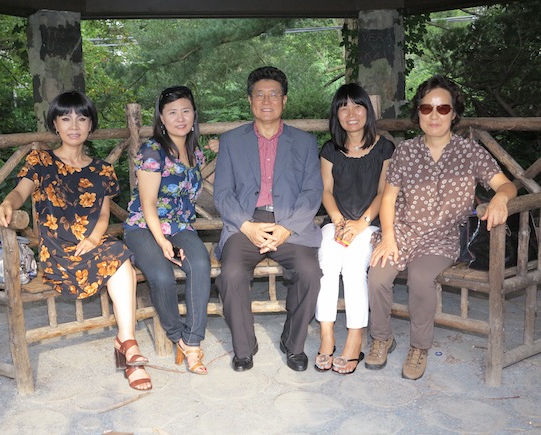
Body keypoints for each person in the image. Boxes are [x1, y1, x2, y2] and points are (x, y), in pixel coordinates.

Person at [0, 90, 152, 390]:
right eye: (65, 118)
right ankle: (128, 347)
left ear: (91, 125)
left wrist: (94, 238)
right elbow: (19, 192)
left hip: (93, 244)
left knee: (120, 256)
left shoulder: (102, 169)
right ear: (55, 124)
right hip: (57, 251)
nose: (74, 125)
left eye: (82, 118)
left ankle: (128, 343)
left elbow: (103, 214)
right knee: (120, 260)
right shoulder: (40, 161)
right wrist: (6, 205)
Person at [366, 75, 517, 380]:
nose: (434, 115)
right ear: (418, 112)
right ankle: (382, 338)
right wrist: (389, 238)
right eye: (426, 108)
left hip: (442, 237)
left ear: (454, 113)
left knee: (421, 279)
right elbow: (388, 198)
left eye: (443, 108)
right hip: (403, 232)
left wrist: (501, 198)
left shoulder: (469, 152)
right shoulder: (406, 150)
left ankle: (419, 347)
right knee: (378, 276)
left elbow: (507, 185)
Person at [214, 66, 323, 372]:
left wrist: (288, 227)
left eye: (273, 94)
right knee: (231, 273)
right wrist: (246, 226)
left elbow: (312, 191)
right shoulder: (232, 141)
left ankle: (293, 343)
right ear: (250, 101)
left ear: (284, 100)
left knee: (310, 273)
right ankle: (244, 347)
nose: (266, 101)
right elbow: (222, 193)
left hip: (290, 223)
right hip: (245, 223)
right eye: (259, 94)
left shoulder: (304, 141)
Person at [124, 86, 211, 375]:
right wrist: (162, 241)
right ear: (161, 118)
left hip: (179, 225)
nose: (180, 118)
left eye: (186, 111)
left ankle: (193, 340)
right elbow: (148, 204)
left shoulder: (195, 152)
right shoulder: (152, 151)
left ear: (194, 114)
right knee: (162, 276)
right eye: (172, 112)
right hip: (144, 226)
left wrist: (221, 149)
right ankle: (178, 337)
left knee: (200, 263)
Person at [315, 84, 394, 374]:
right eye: (343, 107)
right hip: (336, 222)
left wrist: (361, 224)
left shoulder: (385, 148)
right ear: (336, 114)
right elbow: (326, 190)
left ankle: (355, 336)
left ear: (368, 111)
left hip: (370, 225)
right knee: (327, 265)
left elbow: (384, 193)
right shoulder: (330, 150)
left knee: (353, 267)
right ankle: (326, 336)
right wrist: (338, 221)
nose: (351, 113)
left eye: (357, 106)